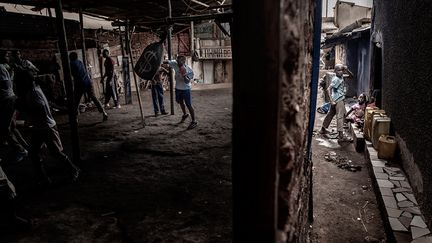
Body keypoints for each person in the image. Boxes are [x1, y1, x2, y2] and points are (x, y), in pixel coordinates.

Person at [17, 69, 80, 184]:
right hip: (40, 127)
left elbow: (40, 107)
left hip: (46, 127)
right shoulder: (34, 89)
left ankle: (73, 169)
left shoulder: (34, 92)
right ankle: (43, 177)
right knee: (35, 153)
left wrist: (24, 108)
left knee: (55, 152)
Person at [0, 50, 28, 162]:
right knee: (12, 126)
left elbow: (5, 84)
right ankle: (24, 145)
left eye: (8, 55)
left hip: (7, 99)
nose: (8, 57)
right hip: (9, 98)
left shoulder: (1, 68)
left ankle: (20, 150)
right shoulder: (3, 67)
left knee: (5, 129)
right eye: (6, 55)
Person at [69, 52, 108, 121]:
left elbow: (73, 75)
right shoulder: (80, 62)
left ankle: (75, 118)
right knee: (94, 98)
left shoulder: (71, 64)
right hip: (87, 81)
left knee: (76, 101)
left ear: (71, 57)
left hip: (80, 83)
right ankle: (104, 113)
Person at [319, 64, 353, 143]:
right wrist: (331, 100)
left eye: (341, 70)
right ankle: (341, 137)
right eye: (338, 70)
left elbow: (351, 76)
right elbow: (328, 89)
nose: (340, 72)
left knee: (330, 114)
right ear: (335, 71)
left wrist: (346, 70)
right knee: (340, 117)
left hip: (335, 99)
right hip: (338, 100)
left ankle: (323, 129)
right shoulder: (336, 79)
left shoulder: (340, 77)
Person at [164, 55, 197, 129]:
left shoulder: (188, 69)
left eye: (179, 61)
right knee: (180, 102)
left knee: (188, 104)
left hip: (186, 89)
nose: (178, 62)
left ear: (184, 61)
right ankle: (185, 114)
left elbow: (187, 81)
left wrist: (184, 75)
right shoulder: (175, 63)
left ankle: (194, 121)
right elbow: (165, 61)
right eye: (177, 61)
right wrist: (163, 61)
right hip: (178, 88)